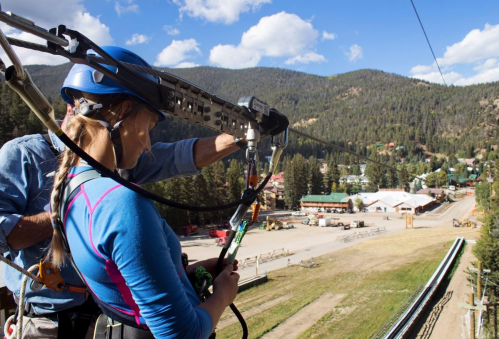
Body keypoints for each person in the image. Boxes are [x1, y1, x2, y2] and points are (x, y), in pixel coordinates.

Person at [0, 45, 279, 337]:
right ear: (120, 114)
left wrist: (241, 135)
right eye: (147, 127)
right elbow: (180, 333)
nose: (147, 143)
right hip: (50, 320)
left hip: (105, 314)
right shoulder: (34, 160)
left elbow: (174, 156)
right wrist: (222, 295)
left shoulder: (91, 182)